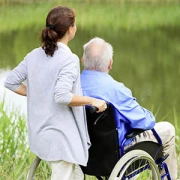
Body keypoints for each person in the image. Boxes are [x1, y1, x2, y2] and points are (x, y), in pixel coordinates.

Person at [4, 7, 107, 180]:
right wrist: (92, 101)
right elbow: (62, 96)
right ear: (70, 29)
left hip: (40, 136)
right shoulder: (69, 59)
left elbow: (10, 82)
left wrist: (39, 91)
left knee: (75, 176)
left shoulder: (34, 55)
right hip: (60, 140)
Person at [80, 37, 178, 180]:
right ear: (110, 63)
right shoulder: (116, 90)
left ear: (83, 60)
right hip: (115, 157)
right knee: (168, 130)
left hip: (85, 155)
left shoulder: (72, 89)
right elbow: (147, 122)